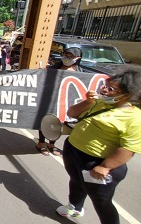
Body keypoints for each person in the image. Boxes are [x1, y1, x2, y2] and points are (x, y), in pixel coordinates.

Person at [56, 69, 141, 224]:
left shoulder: (135, 118)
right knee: (76, 180)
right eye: (105, 85)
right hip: (74, 151)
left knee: (101, 200)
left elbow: (128, 149)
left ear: (127, 95)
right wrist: (88, 102)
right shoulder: (99, 102)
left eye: (111, 89)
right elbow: (72, 113)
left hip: (97, 162)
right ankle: (75, 207)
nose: (104, 90)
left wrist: (105, 166)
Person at [37, 47, 83, 156]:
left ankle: (52, 144)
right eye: (66, 55)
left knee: (58, 123)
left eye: (71, 56)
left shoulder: (80, 72)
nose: (67, 58)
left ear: (78, 58)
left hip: (64, 102)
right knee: (45, 121)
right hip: (49, 100)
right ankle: (41, 143)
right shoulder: (55, 68)